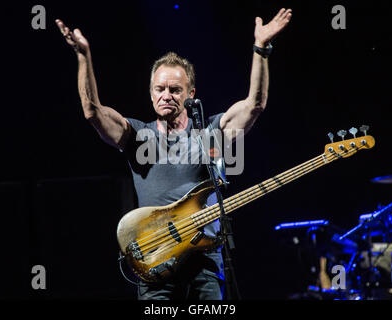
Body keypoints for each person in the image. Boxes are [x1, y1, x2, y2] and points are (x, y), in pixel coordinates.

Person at [55, 8, 292, 300]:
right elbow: (93, 111)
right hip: (156, 264)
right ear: (151, 93)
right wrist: (83, 56)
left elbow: (254, 105)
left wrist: (261, 49)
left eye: (175, 89)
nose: (166, 95)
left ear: (191, 93)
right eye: (160, 89)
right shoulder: (137, 136)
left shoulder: (211, 131)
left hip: (204, 263)